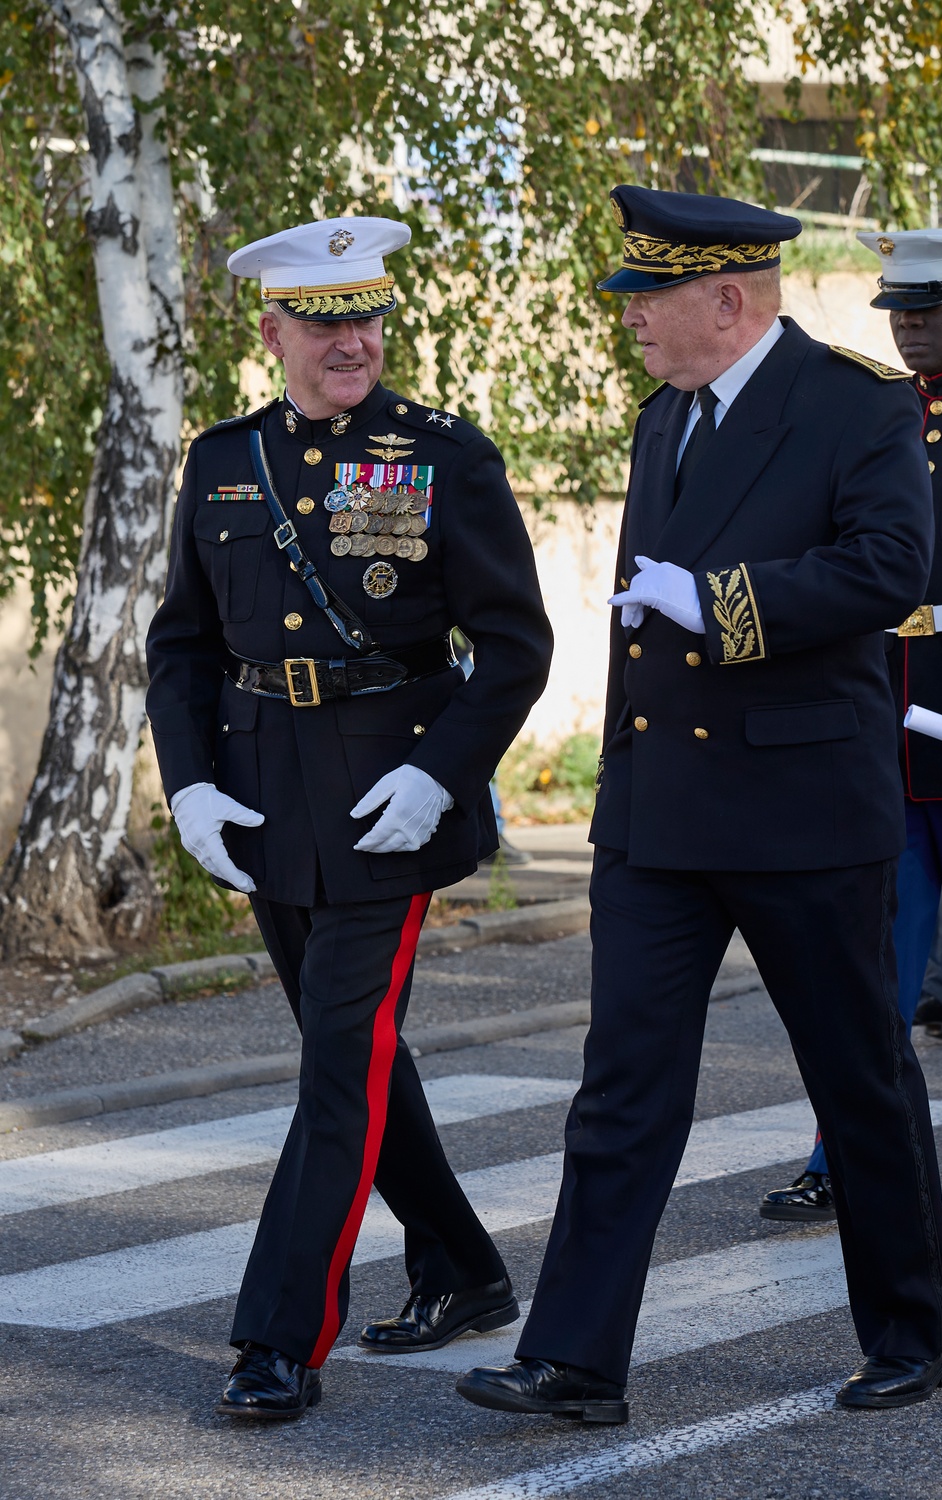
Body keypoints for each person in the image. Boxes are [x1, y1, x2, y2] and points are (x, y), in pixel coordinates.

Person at [456, 185, 942, 1422]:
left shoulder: (855, 408)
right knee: (621, 1086)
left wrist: (724, 602)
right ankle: (574, 1359)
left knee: (856, 1078)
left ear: (725, 301)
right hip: (661, 815)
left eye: (647, 299)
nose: (629, 320)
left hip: (800, 810)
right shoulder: (661, 417)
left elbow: (889, 567)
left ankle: (905, 1331)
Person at [145, 217, 552, 1419]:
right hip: (263, 792)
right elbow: (180, 645)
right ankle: (466, 1268)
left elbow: (517, 646)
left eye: (366, 318)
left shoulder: (444, 457)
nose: (350, 342)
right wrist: (190, 783)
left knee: (335, 1067)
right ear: (271, 331)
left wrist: (441, 770)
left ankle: (279, 1339)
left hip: (389, 798)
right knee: (356, 1054)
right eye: (323, 323)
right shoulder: (222, 460)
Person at [763, 229, 942, 1224]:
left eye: (927, 308)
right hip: (879, 722)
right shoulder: (871, 408)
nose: (906, 327)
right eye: (895, 310)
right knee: (860, 967)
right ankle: (847, 1151)